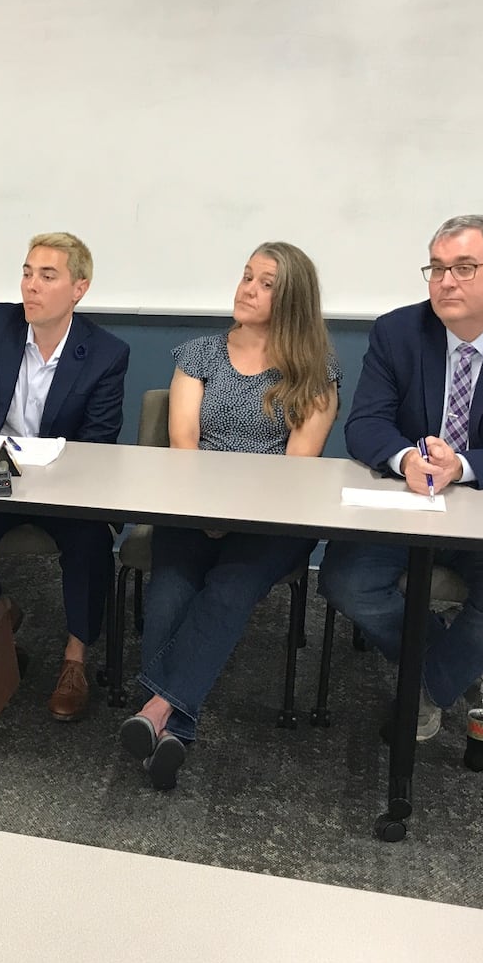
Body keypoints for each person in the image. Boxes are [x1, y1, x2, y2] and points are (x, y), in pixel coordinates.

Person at [318, 214, 483, 741]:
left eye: (464, 267)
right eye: (437, 268)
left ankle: (426, 686)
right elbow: (366, 423)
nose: (446, 281)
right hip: (408, 502)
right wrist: (404, 459)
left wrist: (462, 466)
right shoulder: (399, 331)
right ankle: (462, 666)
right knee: (343, 581)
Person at [122, 243, 339, 791]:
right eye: (246, 277)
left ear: (291, 299)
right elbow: (183, 441)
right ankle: (175, 730)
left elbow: (297, 467)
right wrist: (207, 513)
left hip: (273, 521)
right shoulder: (197, 354)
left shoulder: (316, 372)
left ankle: (155, 713)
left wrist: (236, 518)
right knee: (171, 588)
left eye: (265, 283)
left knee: (229, 588)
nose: (247, 288)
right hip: (193, 506)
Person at [0, 232, 129, 721]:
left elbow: (98, 443)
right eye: (26, 272)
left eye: (47, 275)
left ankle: (75, 659)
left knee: (89, 543)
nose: (31, 286)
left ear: (78, 289)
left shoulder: (106, 353)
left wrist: (47, 469)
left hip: (63, 483)